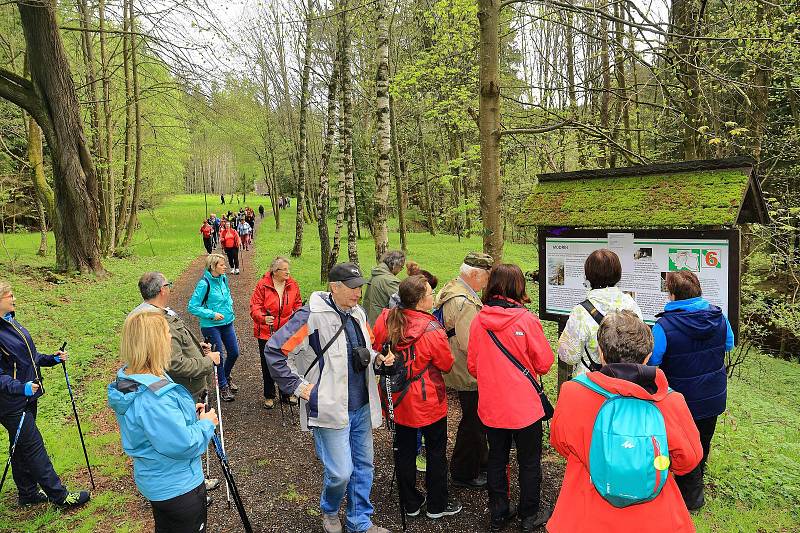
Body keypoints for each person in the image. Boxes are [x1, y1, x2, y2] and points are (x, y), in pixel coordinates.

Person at [264, 263, 394, 533]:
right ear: (334, 287)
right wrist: (301, 388)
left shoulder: (357, 313)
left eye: (360, 287)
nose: (358, 293)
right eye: (352, 288)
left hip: (360, 406)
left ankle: (360, 521)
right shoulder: (311, 315)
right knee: (340, 473)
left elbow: (367, 350)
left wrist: (380, 359)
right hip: (329, 409)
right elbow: (275, 351)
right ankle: (330, 510)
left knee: (364, 467)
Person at [548, 310, 703, 532]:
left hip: (584, 514)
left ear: (601, 353)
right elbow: (688, 460)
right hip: (654, 518)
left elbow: (560, 443)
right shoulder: (671, 402)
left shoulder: (572, 392)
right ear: (648, 356)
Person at [108, 311, 219, 533]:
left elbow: (157, 427)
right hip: (177, 486)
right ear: (154, 343)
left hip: (158, 479)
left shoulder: (137, 378)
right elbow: (183, 445)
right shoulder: (152, 398)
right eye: (167, 333)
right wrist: (206, 424)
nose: (171, 338)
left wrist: (188, 413)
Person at [467, 264, 554, 531]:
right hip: (525, 407)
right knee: (529, 461)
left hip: (492, 406)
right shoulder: (526, 320)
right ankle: (529, 515)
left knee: (497, 459)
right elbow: (544, 363)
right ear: (518, 286)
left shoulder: (479, 320)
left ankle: (498, 514)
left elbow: (473, 366)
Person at [373, 275, 461, 520]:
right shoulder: (432, 329)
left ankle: (409, 503)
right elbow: (445, 364)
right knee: (435, 452)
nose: (434, 297)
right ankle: (437, 505)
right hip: (428, 400)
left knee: (404, 450)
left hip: (398, 398)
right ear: (421, 301)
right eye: (431, 294)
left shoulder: (386, 319)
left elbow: (377, 346)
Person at [0, 281, 91, 508]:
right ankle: (60, 496)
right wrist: (21, 387)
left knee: (20, 446)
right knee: (33, 447)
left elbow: (28, 358)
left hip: (28, 396)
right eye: (9, 295)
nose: (14, 299)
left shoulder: (11, 322)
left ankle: (28, 493)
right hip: (12, 403)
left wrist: (52, 359)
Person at [649, 271, 734, 511]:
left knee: (677, 445)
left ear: (673, 295)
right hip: (712, 394)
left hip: (679, 401)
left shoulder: (664, 325)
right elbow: (729, 344)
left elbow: (653, 361)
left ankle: (689, 498)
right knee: (702, 441)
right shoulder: (719, 316)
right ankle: (696, 481)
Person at [434, 251, 493, 489]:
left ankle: (477, 463)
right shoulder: (465, 302)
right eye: (486, 276)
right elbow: (470, 344)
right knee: (473, 422)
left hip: (455, 364)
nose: (488, 281)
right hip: (466, 370)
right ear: (475, 274)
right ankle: (463, 471)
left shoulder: (452, 289)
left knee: (473, 420)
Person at [557, 249, 642, 377]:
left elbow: (568, 356)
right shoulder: (631, 305)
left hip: (590, 383)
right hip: (626, 380)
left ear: (588, 275)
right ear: (618, 273)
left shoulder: (581, 312)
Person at [250, 257, 302, 409]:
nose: (288, 272)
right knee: (268, 364)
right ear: (275, 271)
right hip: (266, 332)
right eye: (284, 269)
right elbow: (254, 307)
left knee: (286, 362)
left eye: (288, 269)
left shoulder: (292, 284)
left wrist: (297, 316)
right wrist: (263, 318)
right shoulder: (262, 285)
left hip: (286, 332)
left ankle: (286, 393)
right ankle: (269, 394)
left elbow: (298, 303)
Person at [188, 254, 240, 402]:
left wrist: (229, 305)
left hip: (227, 322)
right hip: (211, 326)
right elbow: (192, 307)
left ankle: (225, 375)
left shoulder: (223, 278)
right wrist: (211, 314)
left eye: (225, 264)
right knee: (219, 357)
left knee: (234, 352)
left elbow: (227, 294)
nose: (225, 267)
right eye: (222, 265)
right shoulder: (204, 284)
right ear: (213, 266)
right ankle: (223, 386)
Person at [362, 250, 406, 325]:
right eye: (401, 267)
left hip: (371, 323)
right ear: (395, 265)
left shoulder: (376, 275)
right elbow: (405, 303)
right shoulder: (389, 281)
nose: (400, 271)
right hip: (383, 326)